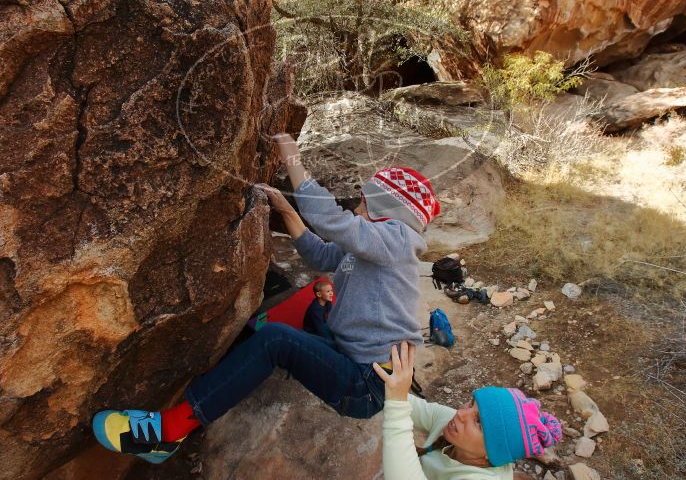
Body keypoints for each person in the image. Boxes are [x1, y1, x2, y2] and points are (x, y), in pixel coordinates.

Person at [92, 133, 441, 463]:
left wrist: (292, 159)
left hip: (366, 384)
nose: (358, 204)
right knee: (291, 325)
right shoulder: (376, 247)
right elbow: (321, 256)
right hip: (351, 358)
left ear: (389, 210)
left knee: (275, 340)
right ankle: (217, 387)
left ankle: (169, 432)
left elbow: (332, 220)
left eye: (366, 199)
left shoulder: (396, 239)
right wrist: (286, 209)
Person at [373, 343, 563, 480]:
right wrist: (381, 378)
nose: (461, 414)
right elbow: (412, 405)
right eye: (470, 403)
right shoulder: (452, 424)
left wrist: (396, 402)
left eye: (478, 422)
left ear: (492, 453)